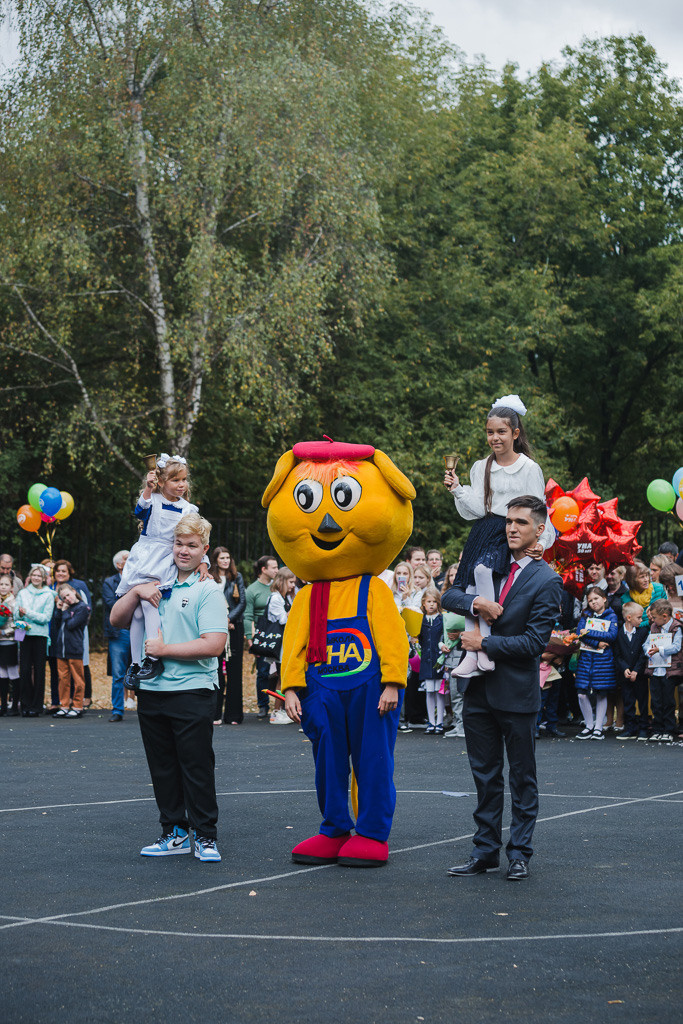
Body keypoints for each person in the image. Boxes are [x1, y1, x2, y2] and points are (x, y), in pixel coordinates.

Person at [443, 495, 562, 881]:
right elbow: (451, 595)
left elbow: (533, 644)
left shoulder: (547, 580)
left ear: (539, 530)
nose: (511, 527)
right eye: (509, 521)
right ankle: (484, 852)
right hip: (478, 691)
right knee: (485, 776)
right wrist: (477, 603)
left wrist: (484, 644)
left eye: (521, 523)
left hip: (516, 693)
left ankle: (520, 854)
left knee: (522, 777)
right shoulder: (490, 564)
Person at [110, 512, 229, 862]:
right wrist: (136, 590)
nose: (183, 551)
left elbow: (213, 645)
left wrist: (164, 651)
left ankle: (206, 836)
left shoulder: (208, 589)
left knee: (196, 766)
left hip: (193, 690)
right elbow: (116, 619)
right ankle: (174, 832)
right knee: (162, 767)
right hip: (153, 691)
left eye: (192, 545)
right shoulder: (156, 581)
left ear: (204, 549)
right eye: (178, 543)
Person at [443, 395, 554, 678]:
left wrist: (541, 542)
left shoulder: (529, 468)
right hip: (485, 528)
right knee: (468, 590)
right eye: (490, 432)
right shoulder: (482, 466)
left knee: (482, 571)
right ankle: (471, 654)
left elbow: (540, 510)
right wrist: (457, 488)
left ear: (515, 434)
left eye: (501, 432)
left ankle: (485, 645)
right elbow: (478, 508)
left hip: (509, 531)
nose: (495, 438)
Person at [116, 454, 207, 688]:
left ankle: (153, 658)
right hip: (145, 556)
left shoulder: (188, 508)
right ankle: (136, 663)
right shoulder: (152, 500)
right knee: (136, 613)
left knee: (149, 603)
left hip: (165, 558)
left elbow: (196, 535)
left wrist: (204, 561)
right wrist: (148, 488)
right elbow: (139, 509)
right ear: (162, 481)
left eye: (184, 480)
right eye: (176, 480)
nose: (182, 485)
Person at [574, 587, 619, 740]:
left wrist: (589, 632)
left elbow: (611, 635)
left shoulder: (611, 615)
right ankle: (588, 725)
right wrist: (597, 642)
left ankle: (598, 727)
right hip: (586, 659)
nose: (593, 602)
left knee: (601, 692)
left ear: (604, 598)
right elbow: (580, 633)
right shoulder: (585, 614)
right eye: (590, 600)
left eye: (596, 599)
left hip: (603, 661)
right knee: (581, 693)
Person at [209, 546, 246, 725]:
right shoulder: (209, 578)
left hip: (234, 627)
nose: (225, 561)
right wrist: (220, 621)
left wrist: (229, 619)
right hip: (214, 628)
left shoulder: (236, 577)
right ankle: (215, 714)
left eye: (228, 558)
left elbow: (242, 602)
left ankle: (233, 715)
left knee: (234, 672)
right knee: (215, 671)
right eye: (222, 558)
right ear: (215, 559)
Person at [52, 560, 93, 708]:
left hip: (75, 646)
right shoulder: (61, 602)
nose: (66, 599)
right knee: (63, 678)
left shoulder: (80, 606)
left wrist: (65, 611)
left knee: (78, 677)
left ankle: (77, 704)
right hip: (61, 647)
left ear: (74, 592)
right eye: (63, 597)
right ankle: (64, 704)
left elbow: (70, 624)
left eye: (68, 595)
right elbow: (57, 623)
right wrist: (59, 610)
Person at [16, 564, 55, 716]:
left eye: (39, 576)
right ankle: (25, 704)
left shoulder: (48, 594)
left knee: (39, 670)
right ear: (30, 576)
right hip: (24, 634)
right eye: (34, 575)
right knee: (25, 670)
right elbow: (16, 615)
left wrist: (28, 613)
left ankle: (37, 706)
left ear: (44, 578)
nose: (36, 578)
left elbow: (45, 618)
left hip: (40, 635)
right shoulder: (22, 593)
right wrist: (20, 615)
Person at [244, 554, 279, 719]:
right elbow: (248, 616)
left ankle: (280, 706)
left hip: (278, 633)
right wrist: (250, 638)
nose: (277, 570)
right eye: (273, 567)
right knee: (263, 671)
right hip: (262, 635)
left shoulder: (278, 587)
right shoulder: (252, 590)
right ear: (263, 569)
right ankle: (263, 705)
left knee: (280, 671)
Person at [643, 599, 682, 743]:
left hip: (669, 671)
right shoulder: (654, 627)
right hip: (655, 670)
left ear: (664, 616)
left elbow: (677, 647)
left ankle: (669, 729)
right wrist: (648, 651)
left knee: (668, 701)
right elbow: (646, 643)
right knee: (656, 701)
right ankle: (657, 729)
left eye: (654, 617)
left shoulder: (676, 628)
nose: (652, 619)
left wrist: (660, 649)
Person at [613, 602, 650, 741]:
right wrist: (625, 669)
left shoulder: (643, 632)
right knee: (628, 701)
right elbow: (617, 655)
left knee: (642, 701)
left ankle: (643, 728)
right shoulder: (618, 634)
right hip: (625, 674)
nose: (642, 620)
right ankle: (630, 728)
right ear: (629, 618)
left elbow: (643, 654)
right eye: (639, 617)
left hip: (639, 674)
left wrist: (636, 671)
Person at [102, 550, 131, 722]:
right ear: (119, 565)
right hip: (118, 632)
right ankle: (118, 709)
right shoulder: (109, 582)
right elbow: (110, 603)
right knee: (118, 673)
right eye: (127, 559)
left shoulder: (140, 580)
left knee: (144, 670)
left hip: (138, 630)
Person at [266, 567, 296, 725]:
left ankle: (281, 709)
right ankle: (276, 711)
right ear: (282, 581)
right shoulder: (276, 598)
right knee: (281, 678)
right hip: (278, 645)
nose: (293, 585)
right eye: (291, 582)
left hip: (285, 644)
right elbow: (282, 620)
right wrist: (297, 610)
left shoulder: (285, 598)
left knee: (282, 677)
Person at [417, 586, 446, 734]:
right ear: (423, 603)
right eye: (429, 601)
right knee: (429, 691)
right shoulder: (419, 620)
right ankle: (431, 722)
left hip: (439, 660)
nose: (431, 604)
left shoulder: (442, 619)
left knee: (439, 692)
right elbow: (418, 639)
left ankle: (439, 722)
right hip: (426, 661)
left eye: (434, 601)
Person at [0, 575, 19, 715]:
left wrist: (4, 631)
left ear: (11, 587)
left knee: (12, 672)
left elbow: (18, 623)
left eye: (6, 584)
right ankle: (3, 705)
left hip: (10, 640)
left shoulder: (14, 602)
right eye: (1, 584)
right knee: (1, 674)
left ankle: (14, 706)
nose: (3, 587)